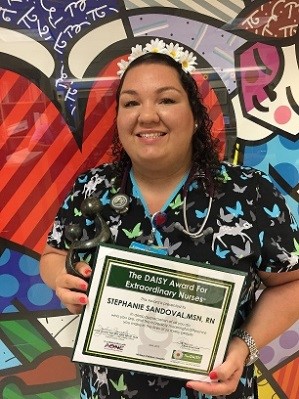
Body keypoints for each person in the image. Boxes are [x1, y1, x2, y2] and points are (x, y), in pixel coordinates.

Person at [39, 38, 299, 399]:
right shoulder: (92, 188)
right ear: (118, 120)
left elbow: (291, 283)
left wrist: (244, 346)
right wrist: (62, 280)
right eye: (131, 102)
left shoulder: (249, 192)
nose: (147, 115)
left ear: (195, 117)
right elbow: (53, 255)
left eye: (166, 99)